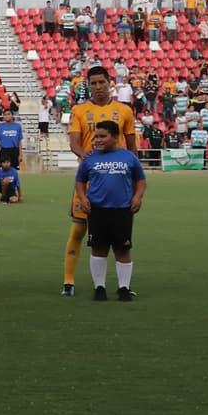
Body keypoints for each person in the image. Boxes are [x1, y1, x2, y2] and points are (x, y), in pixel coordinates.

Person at [62, 66, 137, 297]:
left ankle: (123, 286)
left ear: (109, 82)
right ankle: (68, 282)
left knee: (119, 238)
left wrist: (134, 186)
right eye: (93, 83)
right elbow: (74, 143)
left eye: (101, 82)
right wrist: (87, 158)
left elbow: (132, 148)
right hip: (89, 181)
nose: (97, 87)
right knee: (78, 231)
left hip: (117, 182)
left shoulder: (123, 111)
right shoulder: (80, 110)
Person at [75, 121, 147, 302]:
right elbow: (79, 181)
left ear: (115, 137)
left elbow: (140, 180)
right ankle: (99, 287)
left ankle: (124, 288)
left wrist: (137, 197)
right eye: (96, 136)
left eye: (102, 136)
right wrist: (83, 198)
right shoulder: (89, 158)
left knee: (122, 249)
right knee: (99, 249)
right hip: (97, 210)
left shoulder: (129, 157)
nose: (97, 140)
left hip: (122, 209)